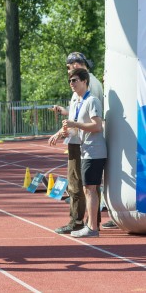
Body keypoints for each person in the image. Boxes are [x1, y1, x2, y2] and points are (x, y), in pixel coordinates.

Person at [49, 52, 104, 234]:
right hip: (79, 139)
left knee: (80, 185)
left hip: (84, 143)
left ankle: (79, 221)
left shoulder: (90, 86)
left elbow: (92, 119)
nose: (70, 79)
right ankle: (90, 221)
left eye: (70, 68)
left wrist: (70, 126)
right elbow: (76, 114)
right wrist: (63, 128)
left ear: (78, 65)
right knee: (88, 185)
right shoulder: (85, 84)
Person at [62, 68, 106, 237]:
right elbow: (80, 130)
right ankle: (91, 226)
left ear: (85, 81)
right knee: (88, 189)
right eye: (70, 81)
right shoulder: (79, 102)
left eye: (75, 80)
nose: (71, 84)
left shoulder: (92, 101)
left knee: (90, 189)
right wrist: (68, 132)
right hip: (86, 150)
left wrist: (76, 125)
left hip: (95, 151)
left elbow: (97, 126)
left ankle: (92, 227)